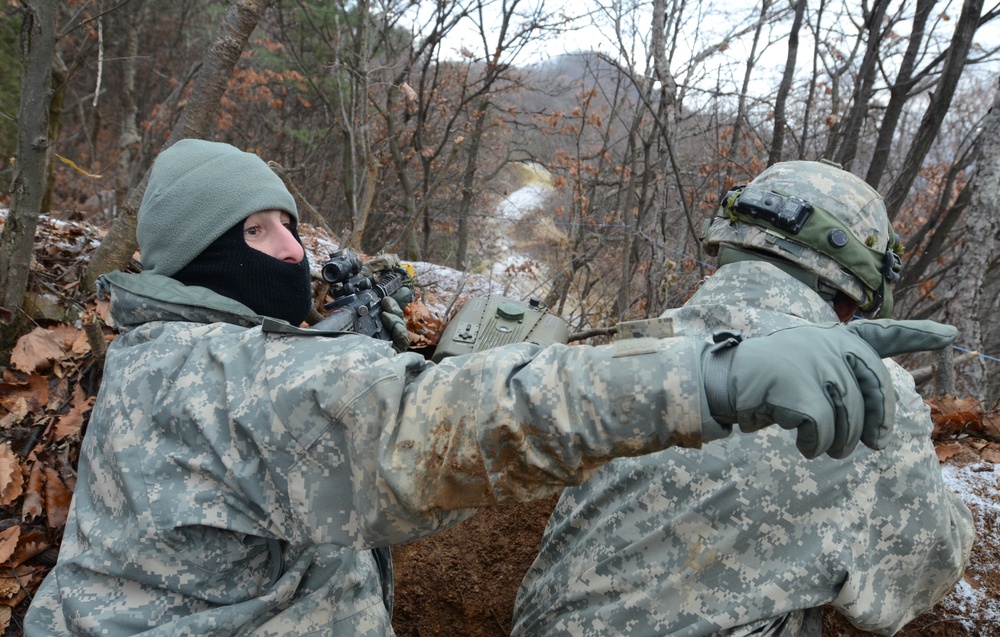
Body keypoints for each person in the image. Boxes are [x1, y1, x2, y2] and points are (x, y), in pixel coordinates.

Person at [24, 141, 956, 637]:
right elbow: (447, 426)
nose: (296, 252)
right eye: (261, 231)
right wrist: (717, 376)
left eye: (289, 225)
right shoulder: (220, 380)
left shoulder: (158, 358)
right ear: (198, 252)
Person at [511, 160, 975, 637]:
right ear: (856, 291)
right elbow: (929, 565)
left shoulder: (639, 349)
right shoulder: (869, 386)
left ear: (729, 244)